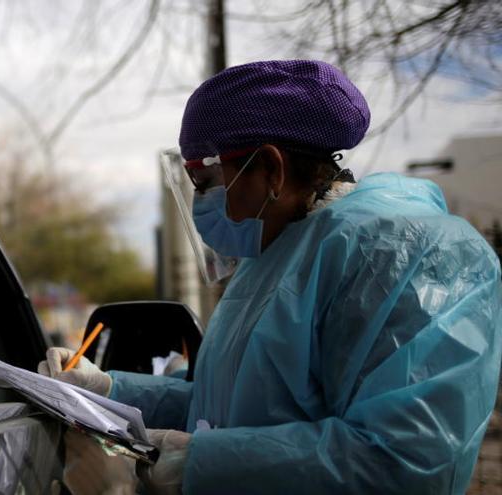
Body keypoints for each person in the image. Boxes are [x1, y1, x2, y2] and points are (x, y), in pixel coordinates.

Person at [40, 60, 502, 494]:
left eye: (207, 182)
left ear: (271, 169)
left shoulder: (409, 256)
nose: (202, 203)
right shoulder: (272, 259)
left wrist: (181, 462)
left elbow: (404, 462)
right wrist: (109, 389)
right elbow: (224, 409)